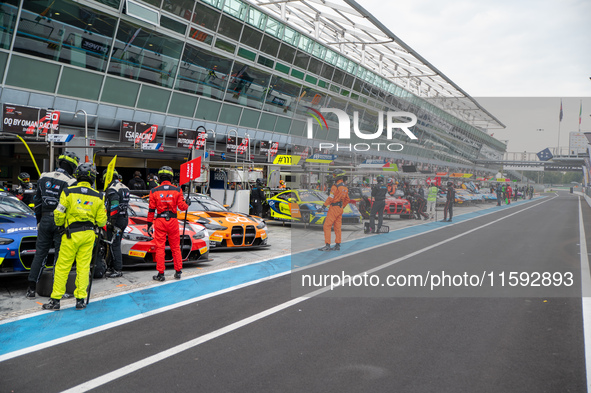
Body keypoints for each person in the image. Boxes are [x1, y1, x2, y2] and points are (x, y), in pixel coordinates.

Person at [42, 163, 107, 310]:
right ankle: (80, 300)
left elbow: (59, 213)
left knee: (62, 267)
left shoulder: (67, 192)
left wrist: (60, 226)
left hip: (70, 234)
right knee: (84, 267)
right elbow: (102, 220)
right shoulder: (98, 196)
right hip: (89, 235)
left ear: (77, 175)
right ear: (93, 178)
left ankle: (56, 301)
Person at [26, 152, 79, 298]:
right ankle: (57, 291)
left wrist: (38, 221)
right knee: (60, 257)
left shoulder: (44, 176)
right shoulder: (71, 182)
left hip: (43, 220)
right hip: (60, 222)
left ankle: (31, 289)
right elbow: (70, 207)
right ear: (72, 166)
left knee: (40, 254)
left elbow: (37, 202)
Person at [147, 166, 190, 281]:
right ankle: (178, 271)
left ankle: (161, 274)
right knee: (175, 247)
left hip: (160, 221)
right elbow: (182, 207)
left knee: (160, 248)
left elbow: (151, 210)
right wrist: (187, 203)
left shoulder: (154, 191)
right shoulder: (177, 190)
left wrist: (148, 223)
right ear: (171, 177)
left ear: (160, 177)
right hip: (173, 222)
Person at [103, 168, 130, 278]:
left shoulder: (112, 189)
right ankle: (113, 266)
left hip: (116, 220)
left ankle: (117, 269)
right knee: (117, 243)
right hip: (124, 218)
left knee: (114, 244)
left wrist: (111, 221)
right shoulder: (124, 187)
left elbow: (114, 206)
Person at [318, 169, 349, 251]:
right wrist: (342, 206)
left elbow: (330, 198)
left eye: (334, 175)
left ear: (338, 176)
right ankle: (337, 245)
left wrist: (323, 206)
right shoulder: (345, 187)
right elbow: (347, 199)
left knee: (327, 226)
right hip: (340, 209)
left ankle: (327, 245)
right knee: (337, 227)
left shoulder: (335, 186)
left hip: (334, 208)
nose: (333, 177)